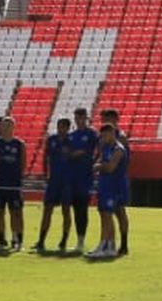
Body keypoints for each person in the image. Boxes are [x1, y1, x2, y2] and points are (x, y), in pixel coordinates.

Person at [89, 124, 128, 258]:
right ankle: (110, 245)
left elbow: (111, 167)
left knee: (107, 214)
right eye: (102, 135)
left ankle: (103, 244)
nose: (103, 138)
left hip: (114, 187)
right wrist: (99, 165)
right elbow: (101, 161)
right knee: (103, 214)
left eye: (106, 135)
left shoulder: (118, 149)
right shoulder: (105, 147)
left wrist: (98, 167)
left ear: (112, 133)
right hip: (104, 185)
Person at [35, 117, 72, 253]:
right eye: (59, 126)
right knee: (47, 210)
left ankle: (63, 240)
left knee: (66, 210)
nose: (60, 129)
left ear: (68, 128)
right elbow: (46, 157)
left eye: (63, 127)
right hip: (54, 180)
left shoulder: (71, 141)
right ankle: (41, 240)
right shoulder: (51, 140)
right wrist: (46, 173)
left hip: (66, 181)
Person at [0, 116, 27, 251]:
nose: (5, 128)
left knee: (16, 213)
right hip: (0, 183)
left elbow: (23, 164)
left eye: (8, 125)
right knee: (0, 213)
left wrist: (18, 178)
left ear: (13, 127)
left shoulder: (19, 144)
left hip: (14, 184)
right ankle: (0, 240)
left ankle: (17, 240)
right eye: (3, 126)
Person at [66, 108, 98, 254]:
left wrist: (79, 155)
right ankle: (76, 240)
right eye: (77, 117)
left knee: (82, 209)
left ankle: (81, 241)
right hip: (72, 176)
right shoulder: (71, 135)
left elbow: (93, 151)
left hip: (85, 177)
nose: (79, 119)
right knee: (74, 208)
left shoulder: (91, 134)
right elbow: (67, 152)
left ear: (86, 118)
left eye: (81, 117)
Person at [100, 108, 130, 255]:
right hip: (107, 180)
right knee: (105, 212)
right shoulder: (104, 138)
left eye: (107, 119)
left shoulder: (121, 138)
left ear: (115, 120)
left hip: (117, 180)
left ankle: (123, 243)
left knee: (119, 212)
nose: (105, 122)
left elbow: (122, 160)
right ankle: (107, 243)